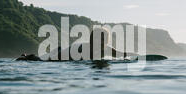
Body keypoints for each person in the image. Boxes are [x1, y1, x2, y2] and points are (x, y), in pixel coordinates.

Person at [16, 27, 167, 61]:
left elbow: (123, 54)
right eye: (97, 38)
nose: (100, 42)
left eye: (103, 39)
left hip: (65, 52)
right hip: (60, 54)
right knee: (40, 60)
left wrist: (141, 56)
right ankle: (25, 56)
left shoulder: (107, 49)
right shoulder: (84, 47)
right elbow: (54, 60)